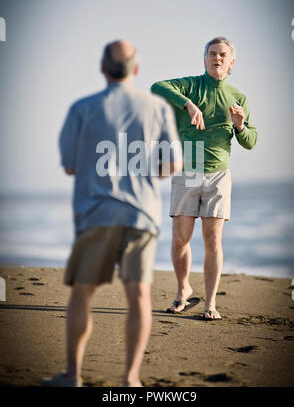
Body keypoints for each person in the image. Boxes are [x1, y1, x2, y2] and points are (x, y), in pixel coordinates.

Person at [41, 40, 182, 387]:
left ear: (102, 68)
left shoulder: (82, 108)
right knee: (139, 296)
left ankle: (73, 375)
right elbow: (174, 164)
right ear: (136, 70)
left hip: (96, 214)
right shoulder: (158, 108)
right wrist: (145, 174)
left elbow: (70, 166)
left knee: (82, 291)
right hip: (142, 217)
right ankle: (131, 379)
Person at [151, 36, 257, 320]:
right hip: (186, 173)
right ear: (205, 59)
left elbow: (250, 142)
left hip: (219, 176)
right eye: (212, 54)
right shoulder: (191, 85)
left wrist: (241, 125)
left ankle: (210, 303)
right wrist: (188, 105)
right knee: (179, 239)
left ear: (231, 61)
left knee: (213, 243)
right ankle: (183, 290)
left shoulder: (238, 97)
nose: (217, 58)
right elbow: (157, 87)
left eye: (223, 54)